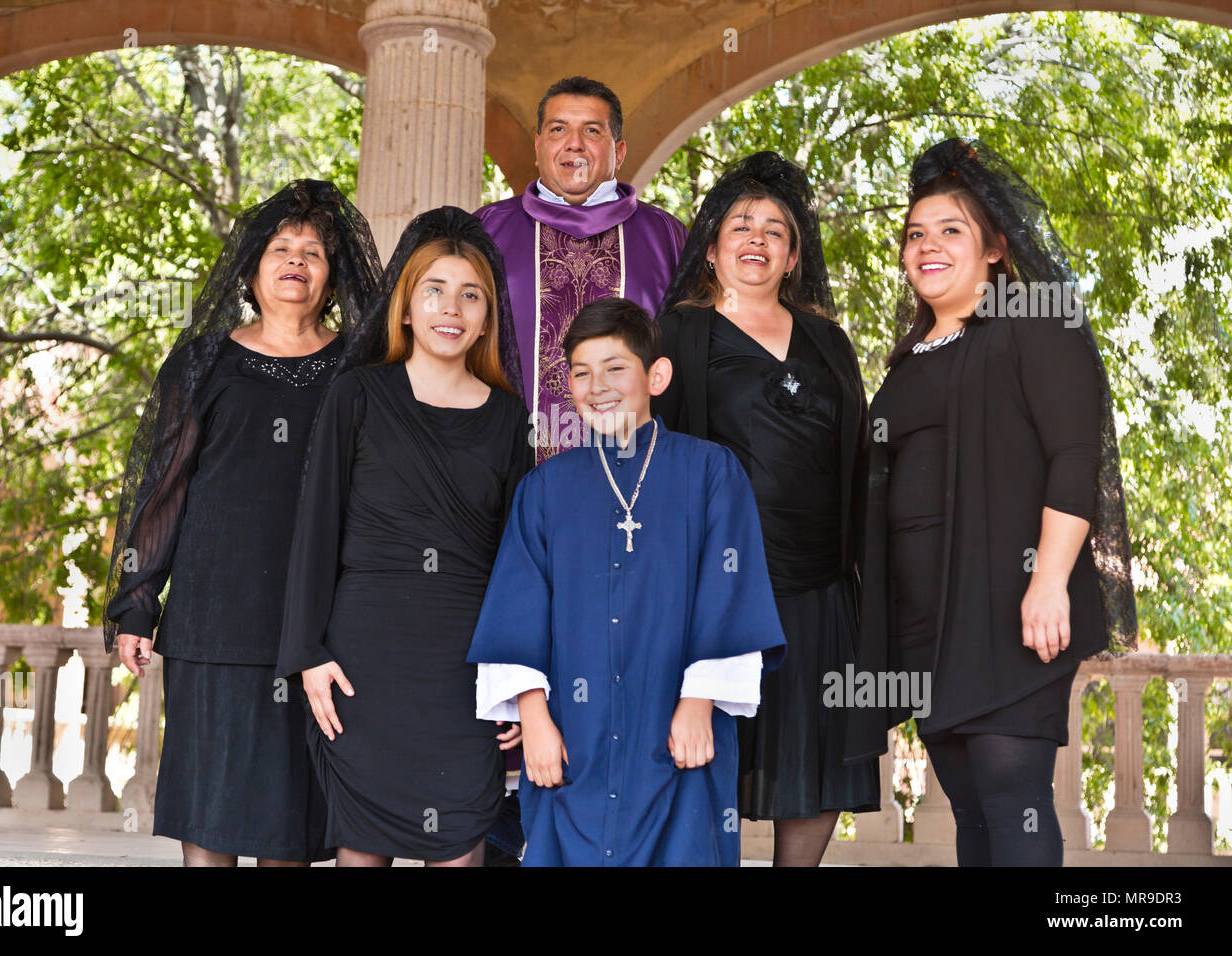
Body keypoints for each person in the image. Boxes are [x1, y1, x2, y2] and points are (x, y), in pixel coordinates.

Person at [845, 138, 1138, 866]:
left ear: (997, 248)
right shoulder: (908, 361)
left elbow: (1075, 454)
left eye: (951, 230)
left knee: (1014, 802)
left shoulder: (1038, 321)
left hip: (1010, 606)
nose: (927, 246)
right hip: (927, 626)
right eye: (916, 233)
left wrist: (1046, 583)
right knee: (969, 809)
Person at [103, 180, 382, 866]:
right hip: (213, 621)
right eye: (281, 248)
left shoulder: (359, 368)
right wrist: (138, 605)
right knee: (213, 814)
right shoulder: (202, 363)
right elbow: (162, 489)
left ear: (333, 273)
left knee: (284, 827)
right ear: (253, 268)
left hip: (316, 629)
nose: (296, 261)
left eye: (313, 252)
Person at [467, 297, 787, 866]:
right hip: (575, 739)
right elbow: (518, 606)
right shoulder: (545, 488)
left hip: (676, 727)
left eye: (615, 367)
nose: (598, 386)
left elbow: (731, 593)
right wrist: (534, 719)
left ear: (655, 375)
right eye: (583, 373)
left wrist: (697, 702)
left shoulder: (711, 472)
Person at [275, 207, 533, 867]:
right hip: (363, 666)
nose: (453, 307)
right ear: (407, 308)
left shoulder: (508, 416)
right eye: (435, 291)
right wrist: (307, 652)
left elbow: (518, 561)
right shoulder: (358, 395)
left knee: (462, 849)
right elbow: (314, 525)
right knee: (362, 854)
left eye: (470, 294)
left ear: (486, 315)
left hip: (464, 668)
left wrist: (515, 677)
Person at [652, 151, 880, 866]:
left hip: (818, 591)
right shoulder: (678, 334)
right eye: (740, 225)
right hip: (714, 588)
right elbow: (653, 458)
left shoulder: (829, 341)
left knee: (812, 767)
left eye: (774, 231)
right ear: (713, 247)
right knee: (702, 760)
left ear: (792, 257)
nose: (756, 238)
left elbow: (860, 462)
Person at [475, 75, 687, 462]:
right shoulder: (486, 229)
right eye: (558, 129)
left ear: (618, 152)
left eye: (592, 130)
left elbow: (691, 353)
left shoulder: (666, 237)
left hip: (637, 467)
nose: (574, 143)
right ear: (539, 147)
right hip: (506, 464)